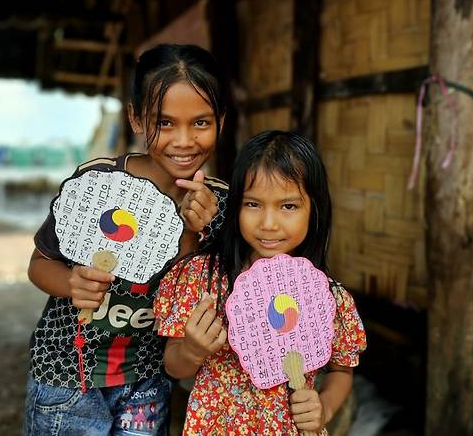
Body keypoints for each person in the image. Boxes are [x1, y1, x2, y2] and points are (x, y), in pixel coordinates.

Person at [23, 44, 230, 436]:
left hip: (148, 381)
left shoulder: (222, 207)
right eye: (164, 123)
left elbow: (192, 289)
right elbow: (38, 263)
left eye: (200, 122)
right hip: (69, 375)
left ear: (220, 120)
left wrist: (194, 229)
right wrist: (71, 283)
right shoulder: (97, 184)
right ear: (136, 118)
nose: (183, 141)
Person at [154, 130, 367, 435]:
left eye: (288, 206)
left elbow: (341, 370)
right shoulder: (204, 279)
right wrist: (191, 350)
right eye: (253, 204)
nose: (268, 223)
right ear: (236, 205)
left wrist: (324, 407)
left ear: (314, 210)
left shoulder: (328, 296)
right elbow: (174, 365)